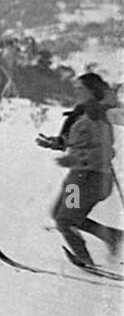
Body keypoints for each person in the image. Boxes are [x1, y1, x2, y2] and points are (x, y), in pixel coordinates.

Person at [41, 72, 122, 266]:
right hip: (77, 178)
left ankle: (84, 259)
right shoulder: (82, 112)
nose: (76, 91)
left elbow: (105, 151)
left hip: (91, 179)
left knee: (65, 220)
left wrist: (76, 158)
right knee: (59, 214)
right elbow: (78, 141)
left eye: (80, 88)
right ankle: (112, 236)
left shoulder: (99, 115)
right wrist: (56, 142)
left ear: (91, 91)